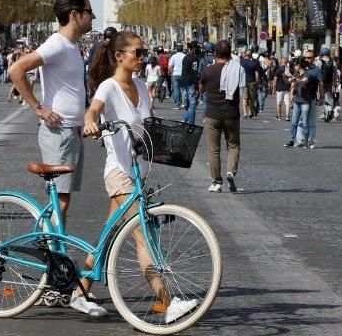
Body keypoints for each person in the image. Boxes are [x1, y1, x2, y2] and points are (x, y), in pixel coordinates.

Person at [80, 30, 197, 321]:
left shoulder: (143, 86)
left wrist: (176, 144)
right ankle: (168, 303)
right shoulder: (108, 87)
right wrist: (90, 123)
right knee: (144, 238)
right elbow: (92, 111)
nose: (144, 58)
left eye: (145, 53)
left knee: (107, 237)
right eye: (138, 53)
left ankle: (78, 292)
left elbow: (148, 126)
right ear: (120, 56)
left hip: (139, 172)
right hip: (120, 173)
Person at [9, 0, 94, 223]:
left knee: (63, 199)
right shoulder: (56, 44)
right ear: (74, 15)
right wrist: (38, 108)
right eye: (89, 11)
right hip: (59, 132)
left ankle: (54, 251)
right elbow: (16, 70)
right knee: (60, 200)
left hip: (70, 130)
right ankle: (50, 250)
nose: (93, 16)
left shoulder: (72, 45)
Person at [200, 40, 243, 193]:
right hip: (231, 114)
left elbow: (201, 89)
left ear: (215, 53)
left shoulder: (208, 70)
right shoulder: (237, 69)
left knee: (213, 149)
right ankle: (231, 171)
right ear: (230, 52)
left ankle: (216, 182)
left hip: (213, 114)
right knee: (233, 145)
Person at [285, 59, 314, 148]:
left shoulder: (307, 74)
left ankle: (305, 142)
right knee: (294, 122)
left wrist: (294, 78)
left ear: (298, 65)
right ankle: (291, 140)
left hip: (305, 102)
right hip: (297, 102)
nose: (294, 68)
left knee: (305, 123)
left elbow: (303, 81)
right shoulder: (296, 74)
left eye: (295, 66)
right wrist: (288, 77)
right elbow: (290, 82)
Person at [302, 49, 324, 148]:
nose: (307, 59)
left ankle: (311, 141)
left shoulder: (317, 70)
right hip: (300, 98)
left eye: (309, 57)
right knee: (300, 121)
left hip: (311, 98)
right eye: (305, 57)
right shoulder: (301, 68)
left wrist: (322, 97)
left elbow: (321, 84)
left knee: (311, 121)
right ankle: (300, 140)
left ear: (314, 59)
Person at [181, 43, 201, 124]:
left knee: (190, 102)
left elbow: (184, 71)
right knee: (193, 102)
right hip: (192, 82)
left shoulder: (185, 58)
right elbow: (195, 71)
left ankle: (186, 118)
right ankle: (190, 121)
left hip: (185, 81)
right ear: (194, 49)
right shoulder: (195, 58)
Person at [239, 47, 260, 118]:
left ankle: (245, 113)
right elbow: (256, 73)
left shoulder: (241, 62)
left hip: (243, 82)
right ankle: (251, 111)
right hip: (252, 81)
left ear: (245, 54)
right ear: (251, 54)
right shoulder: (255, 62)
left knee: (244, 98)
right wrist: (257, 81)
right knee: (252, 98)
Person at [168, 44, 186, 109]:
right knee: (184, 89)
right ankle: (184, 102)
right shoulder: (185, 56)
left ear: (176, 49)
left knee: (176, 90)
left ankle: (177, 105)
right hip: (183, 74)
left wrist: (172, 73)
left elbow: (169, 66)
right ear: (182, 49)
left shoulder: (173, 56)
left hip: (175, 74)